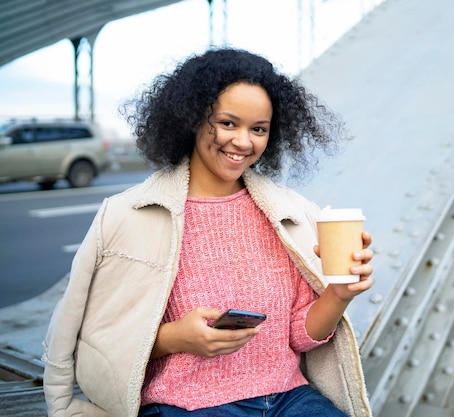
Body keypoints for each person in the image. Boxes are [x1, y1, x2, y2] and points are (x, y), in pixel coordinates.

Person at [42, 47, 374, 417]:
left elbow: (297, 336)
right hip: (183, 405)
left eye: (258, 129)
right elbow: (97, 340)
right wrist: (173, 338)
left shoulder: (291, 213)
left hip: (288, 399)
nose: (244, 142)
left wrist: (340, 293)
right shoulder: (126, 216)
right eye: (228, 123)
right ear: (193, 119)